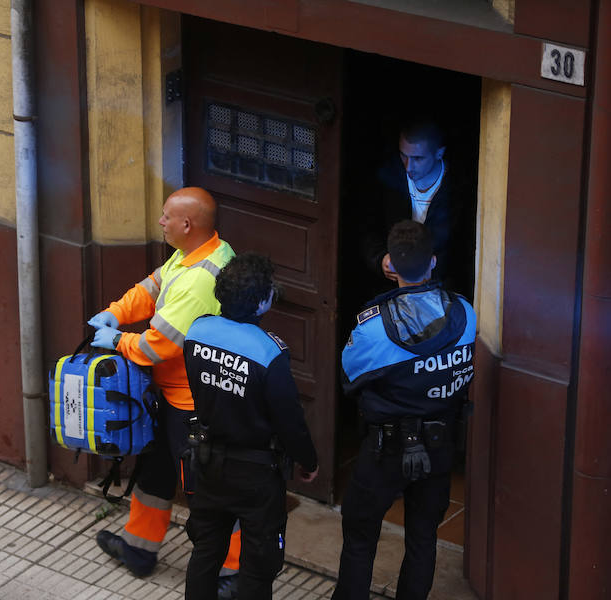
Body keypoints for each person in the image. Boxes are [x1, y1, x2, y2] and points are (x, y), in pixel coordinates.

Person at [89, 187, 239, 587]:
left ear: (186, 225)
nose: (160, 222)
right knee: (155, 470)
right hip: (174, 395)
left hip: (196, 402)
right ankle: (139, 549)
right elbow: (152, 287)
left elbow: (159, 344)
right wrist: (116, 312)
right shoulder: (198, 253)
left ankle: (233, 573)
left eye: (166, 216)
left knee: (207, 488)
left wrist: (118, 340)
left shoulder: (200, 281)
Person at [333, 220, 476, 600]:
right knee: (423, 537)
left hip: (385, 449)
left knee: (360, 536)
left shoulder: (373, 327)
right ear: (432, 262)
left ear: (390, 266)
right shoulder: (465, 314)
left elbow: (349, 377)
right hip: (440, 444)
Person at [182, 253, 319, 600]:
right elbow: (290, 420)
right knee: (258, 566)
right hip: (256, 475)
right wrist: (309, 461)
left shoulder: (197, 332)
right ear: (262, 303)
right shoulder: (269, 353)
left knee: (205, 553)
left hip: (208, 464)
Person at [359, 116, 473, 296]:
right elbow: (367, 228)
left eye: (418, 158)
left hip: (439, 294)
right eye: (403, 156)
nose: (408, 166)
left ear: (439, 153)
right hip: (390, 291)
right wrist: (381, 259)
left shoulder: (459, 191)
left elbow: (464, 252)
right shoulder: (387, 178)